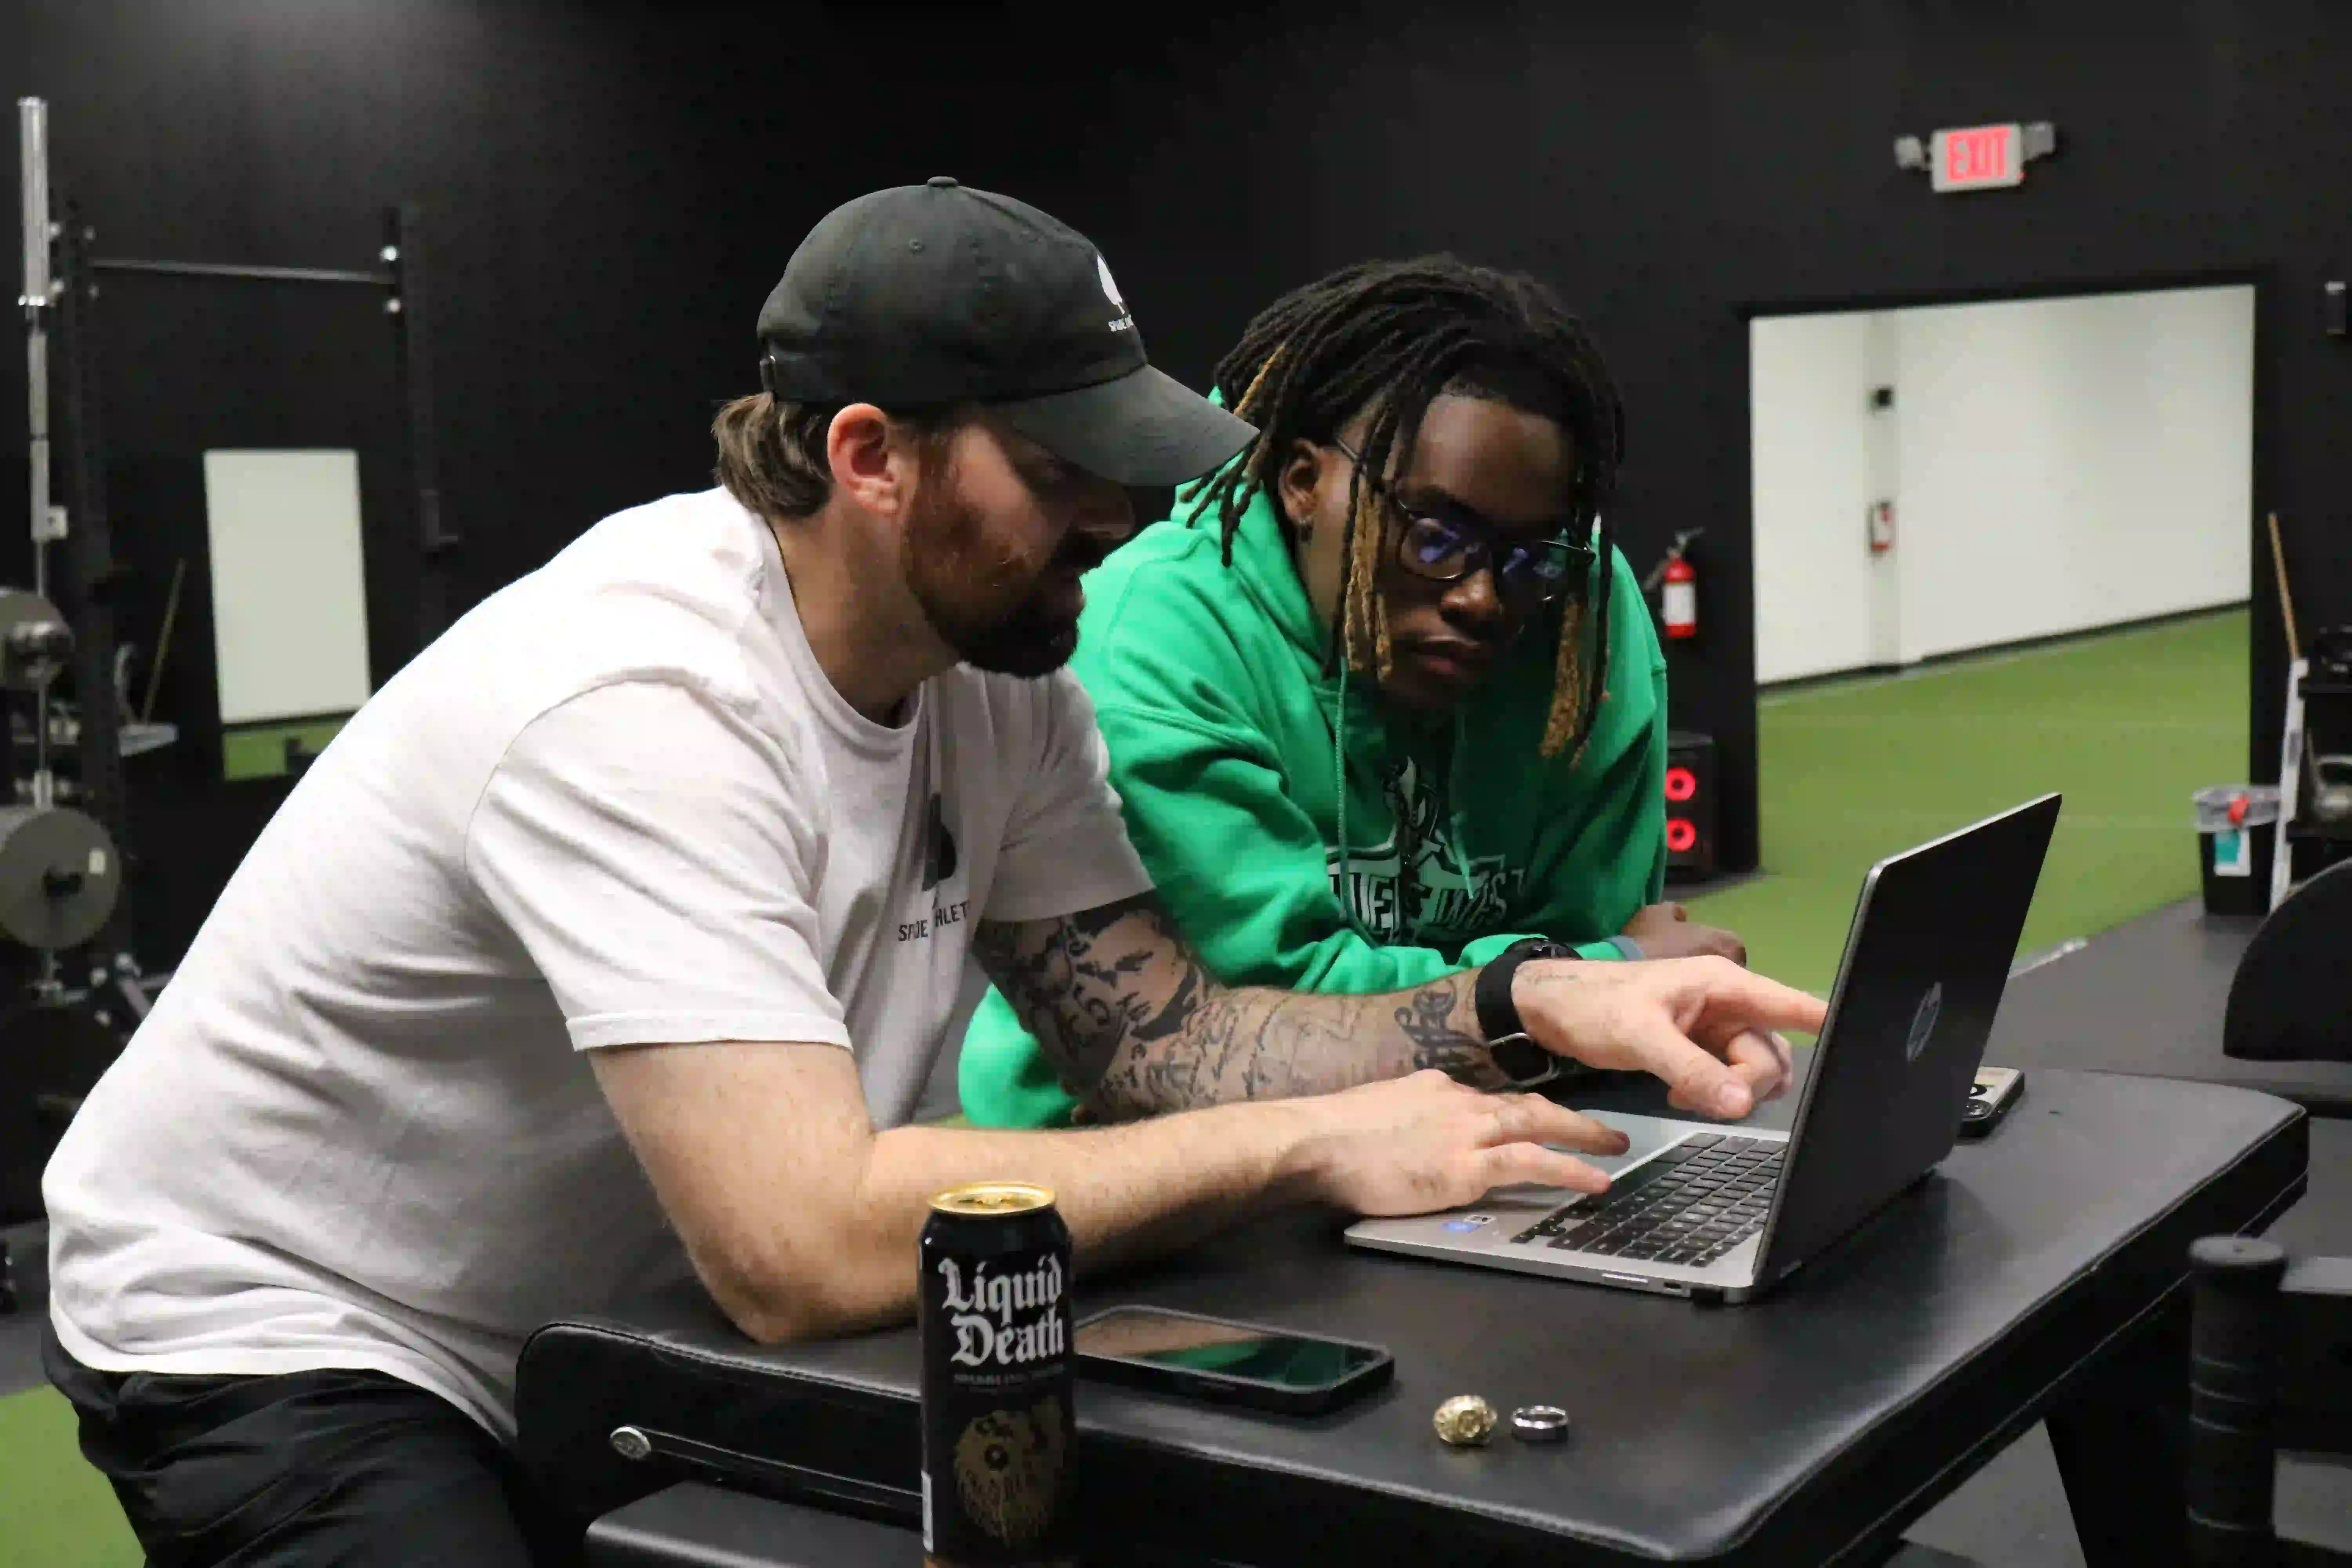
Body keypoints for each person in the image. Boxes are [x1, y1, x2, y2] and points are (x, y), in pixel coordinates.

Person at [40, 183, 1818, 1566]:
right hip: (292, 1324)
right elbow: (802, 1244)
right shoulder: (642, 706)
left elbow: (1165, 1039)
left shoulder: (1003, 686)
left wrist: (1528, 999)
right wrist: (1312, 1141)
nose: (1116, 521)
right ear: (867, 456)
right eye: (1059, 473)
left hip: (594, 1314)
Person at [962, 256, 1744, 1129]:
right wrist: (1598, 974)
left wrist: (1603, 982)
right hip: (1143, 1157)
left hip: (1494, 1122)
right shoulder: (1153, 639)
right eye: (1435, 536)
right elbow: (1249, 1030)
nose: (1483, 598)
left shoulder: (1582, 618)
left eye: (1530, 557)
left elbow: (1605, 978)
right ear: (1304, 483)